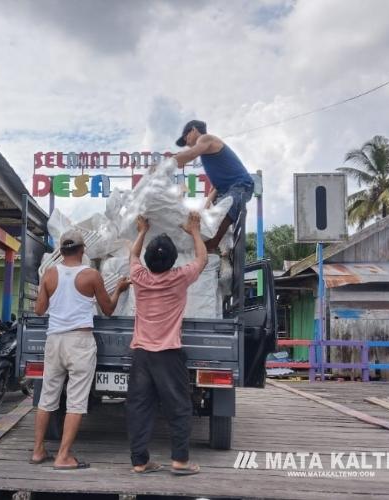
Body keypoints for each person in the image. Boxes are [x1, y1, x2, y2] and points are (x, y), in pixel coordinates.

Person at [30, 229, 130, 470]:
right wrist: (118, 289)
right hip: (80, 342)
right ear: (83, 250)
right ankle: (63, 456)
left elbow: (39, 311)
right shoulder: (91, 275)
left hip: (54, 340)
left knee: (47, 398)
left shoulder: (49, 274)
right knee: (75, 401)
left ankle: (37, 450)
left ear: (61, 251)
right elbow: (107, 309)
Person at [125, 213, 207, 475]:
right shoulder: (179, 277)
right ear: (173, 261)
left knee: (139, 407)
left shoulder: (139, 277)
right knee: (179, 407)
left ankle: (139, 461)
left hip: (141, 354)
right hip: (168, 354)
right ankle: (180, 461)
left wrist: (141, 231)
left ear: (149, 260)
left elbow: (133, 257)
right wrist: (194, 230)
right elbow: (202, 259)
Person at [174, 119, 254, 253]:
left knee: (215, 231)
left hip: (240, 185)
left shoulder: (206, 139)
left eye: (186, 137)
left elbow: (191, 154)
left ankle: (211, 247)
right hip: (224, 190)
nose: (186, 143)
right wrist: (204, 211)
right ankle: (220, 252)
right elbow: (215, 187)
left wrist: (169, 162)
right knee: (209, 222)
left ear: (194, 130)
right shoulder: (207, 155)